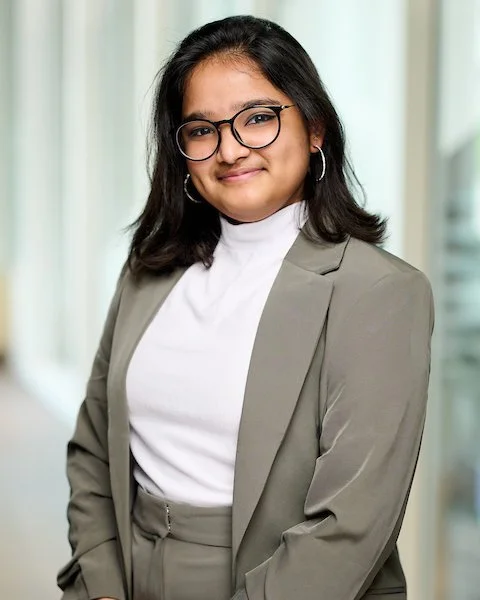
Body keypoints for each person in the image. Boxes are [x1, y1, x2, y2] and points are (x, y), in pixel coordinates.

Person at [57, 14, 434, 600]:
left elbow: (349, 527)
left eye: (258, 118)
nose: (231, 149)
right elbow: (92, 449)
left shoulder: (378, 292)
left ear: (314, 129)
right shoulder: (149, 270)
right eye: (202, 129)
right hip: (129, 572)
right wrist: (102, 584)